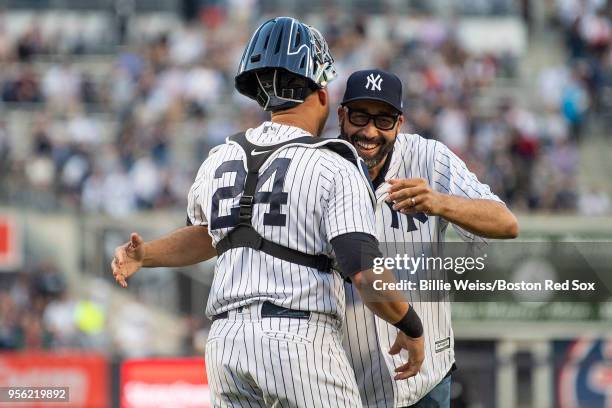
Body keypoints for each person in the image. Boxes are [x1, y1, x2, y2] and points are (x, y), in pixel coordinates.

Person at [111, 19, 425, 407]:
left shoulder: (220, 156)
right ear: (323, 94)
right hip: (297, 340)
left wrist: (147, 254)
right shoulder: (335, 164)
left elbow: (208, 234)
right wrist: (409, 324)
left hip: (225, 346)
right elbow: (362, 270)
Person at [336, 69, 519, 408]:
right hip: (345, 380)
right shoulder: (321, 165)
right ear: (342, 115)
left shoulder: (428, 157)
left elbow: (505, 223)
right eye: (360, 116)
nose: (370, 131)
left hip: (427, 379)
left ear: (400, 122)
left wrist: (440, 202)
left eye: (384, 119)